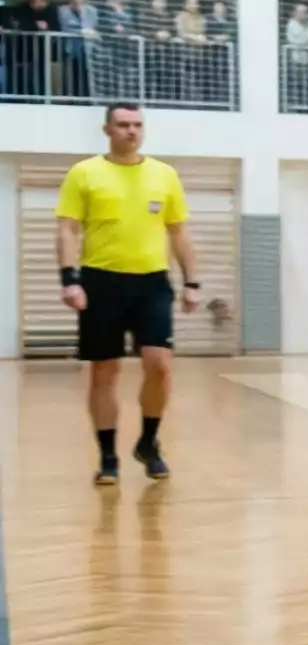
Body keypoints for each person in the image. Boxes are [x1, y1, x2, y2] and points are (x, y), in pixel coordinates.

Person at [55, 104, 201, 485]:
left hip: (152, 283)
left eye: (137, 125)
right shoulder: (84, 173)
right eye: (123, 124)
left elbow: (178, 231)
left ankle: (149, 443)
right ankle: (107, 456)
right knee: (104, 371)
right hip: (100, 281)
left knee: (160, 365)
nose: (131, 131)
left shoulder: (164, 175)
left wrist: (191, 281)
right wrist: (69, 279)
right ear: (108, 129)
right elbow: (68, 229)